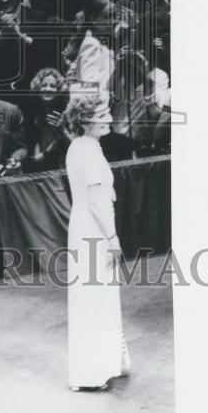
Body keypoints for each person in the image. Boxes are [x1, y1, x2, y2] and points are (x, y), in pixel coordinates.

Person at [64, 84, 130, 391]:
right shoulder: (85, 149)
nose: (109, 118)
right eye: (101, 114)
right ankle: (90, 374)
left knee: (101, 296)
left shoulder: (87, 146)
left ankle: (105, 364)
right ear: (86, 119)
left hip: (91, 228)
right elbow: (95, 200)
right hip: (93, 230)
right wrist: (113, 238)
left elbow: (101, 192)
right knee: (92, 299)